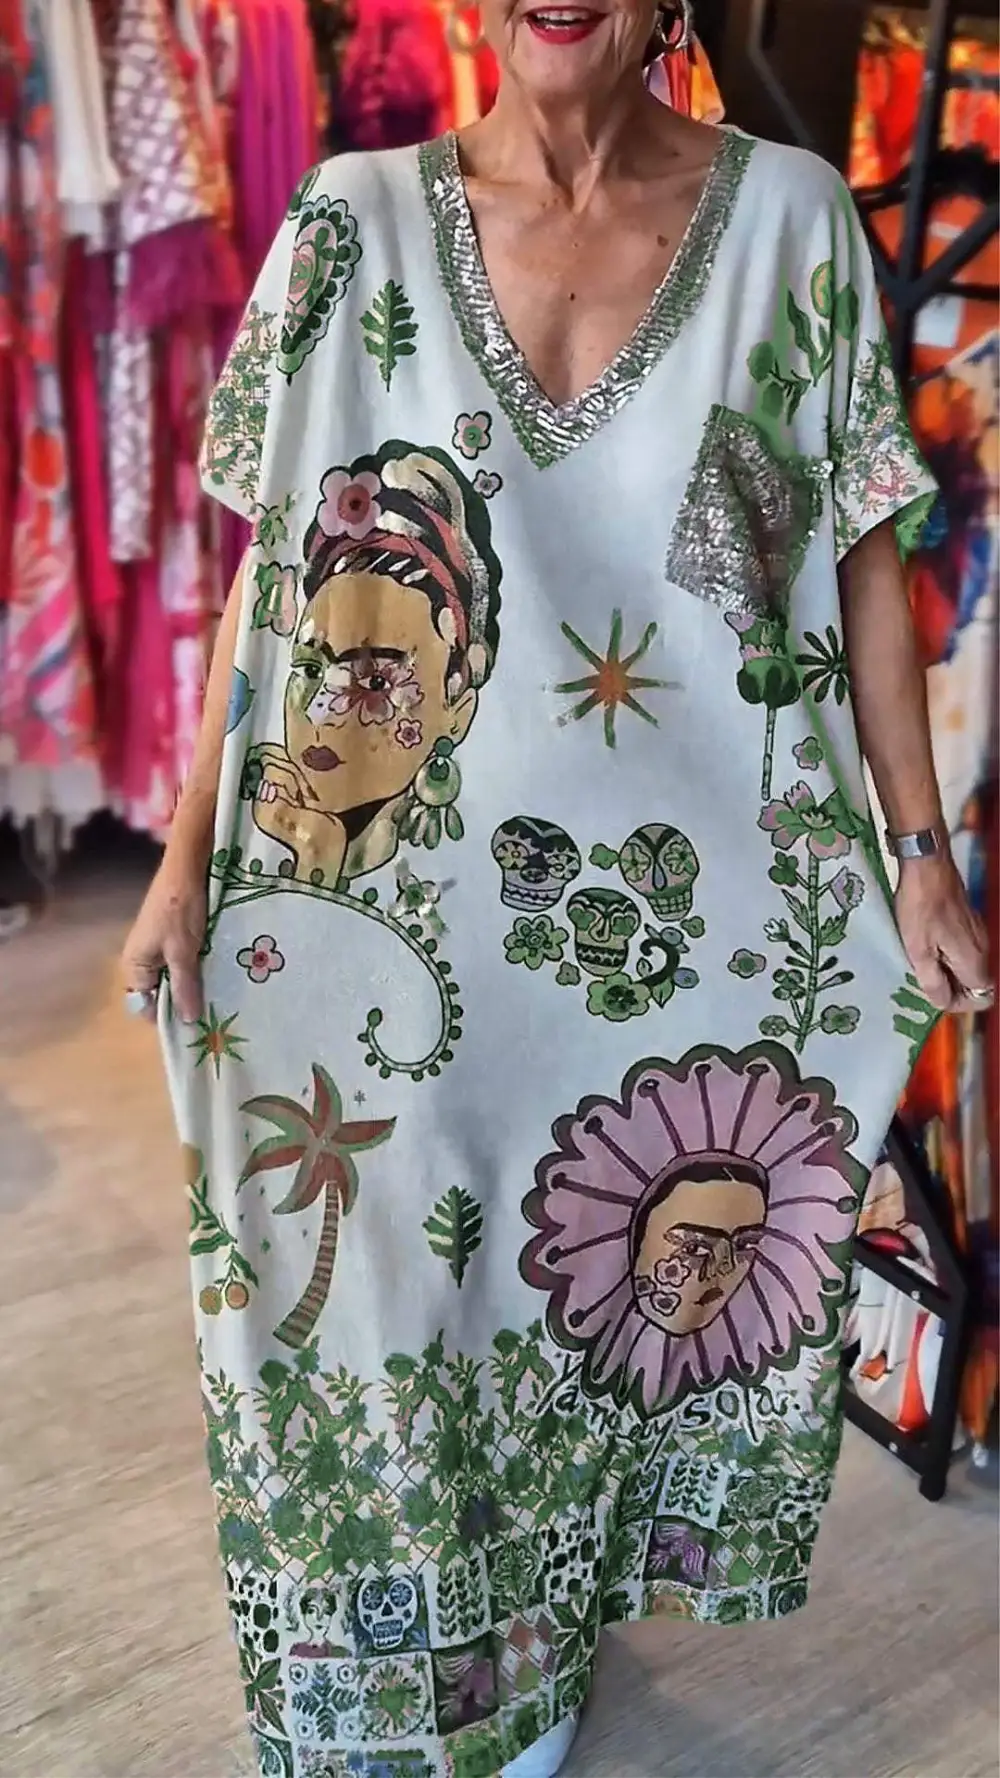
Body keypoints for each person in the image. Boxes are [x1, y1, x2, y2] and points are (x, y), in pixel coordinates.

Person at [122, 4, 993, 1776]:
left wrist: (919, 852)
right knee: (371, 1297)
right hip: (381, 893)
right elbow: (274, 567)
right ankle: (388, 1682)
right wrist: (187, 844)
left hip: (681, 920)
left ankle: (531, 1653)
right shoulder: (349, 218)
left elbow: (859, 552)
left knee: (584, 1299)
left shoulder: (790, 218)